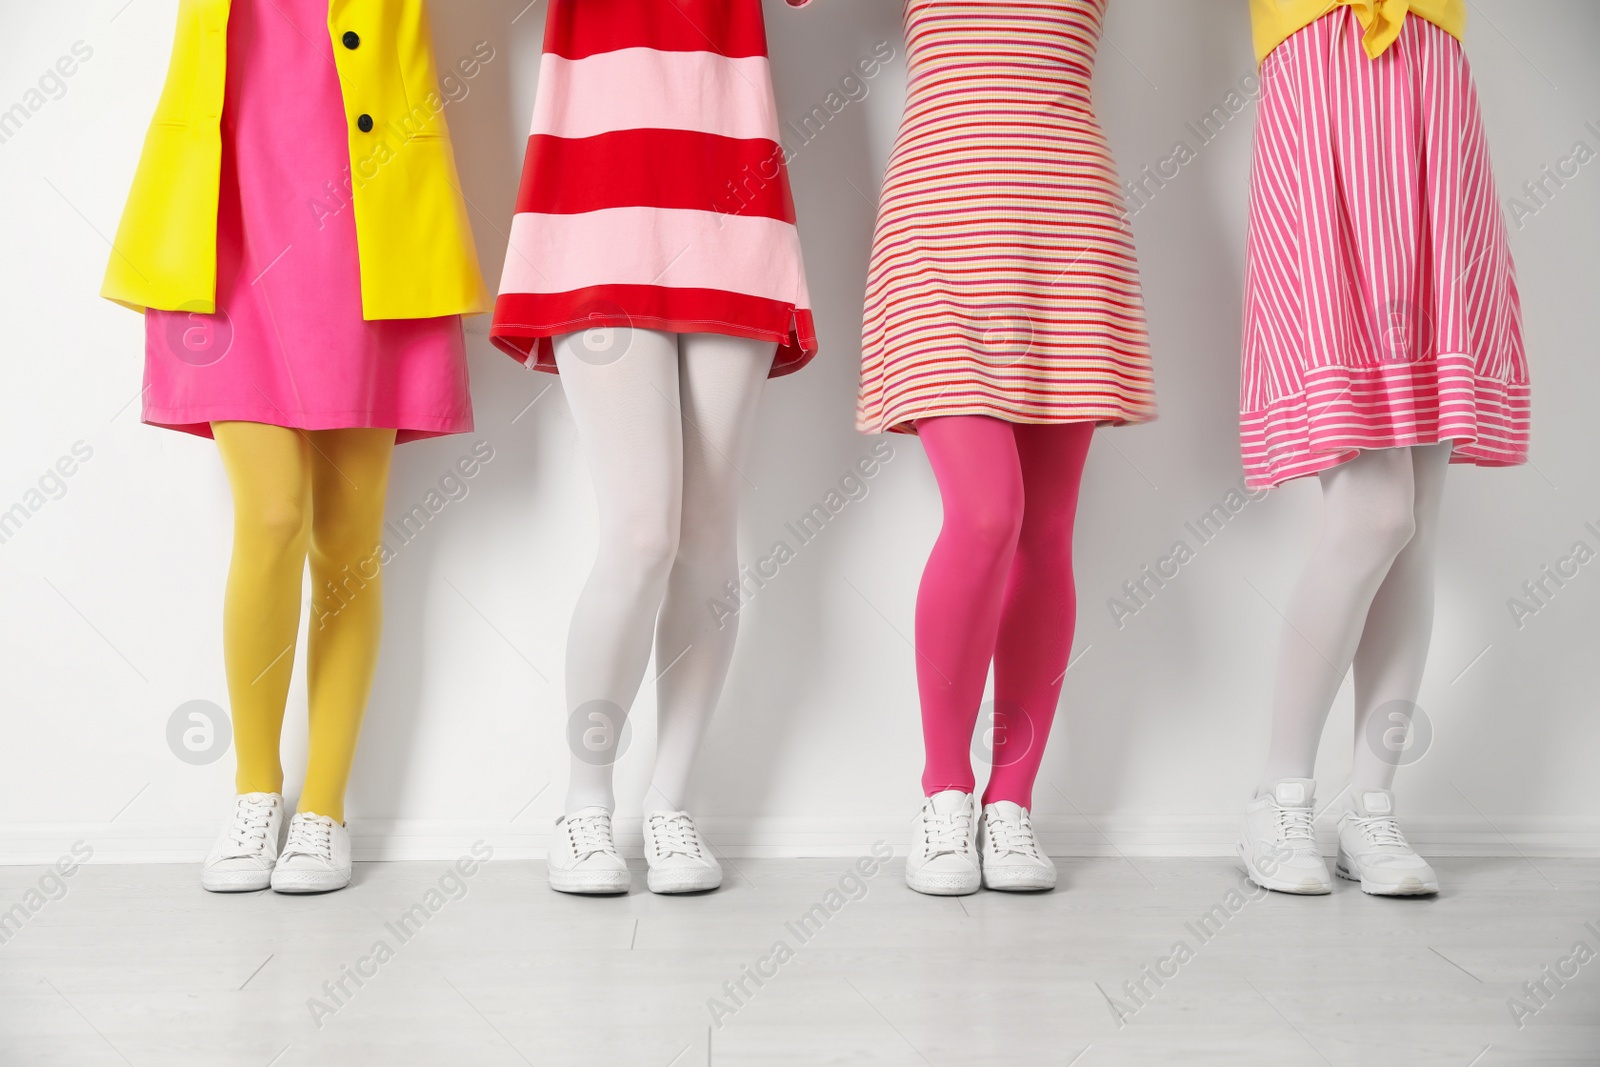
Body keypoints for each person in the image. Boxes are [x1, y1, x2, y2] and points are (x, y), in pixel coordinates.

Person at [102, 0, 488, 894]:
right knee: (272, 514)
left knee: (349, 538)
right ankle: (254, 790)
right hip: (228, 227)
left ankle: (322, 810)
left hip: (370, 227)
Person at [491, 0, 817, 895]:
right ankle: (584, 803)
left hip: (731, 205)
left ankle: (673, 804)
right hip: (598, 207)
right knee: (642, 535)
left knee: (710, 539)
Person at [857, 0, 1158, 896]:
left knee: (1045, 532)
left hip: (1068, 233)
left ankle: (1011, 803)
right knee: (988, 513)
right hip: (940, 228)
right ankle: (944, 789)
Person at [1235, 0, 1529, 896]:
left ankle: (1371, 807)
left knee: (1418, 521)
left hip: (1433, 93)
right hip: (1322, 83)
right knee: (1376, 511)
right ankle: (1277, 795)